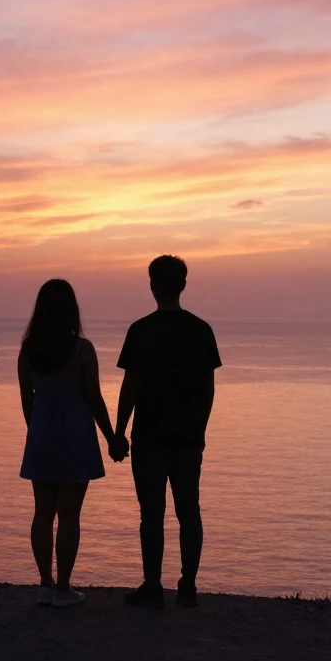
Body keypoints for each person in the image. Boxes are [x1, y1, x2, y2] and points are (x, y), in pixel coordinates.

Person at [112, 255, 221, 609]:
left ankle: (153, 585)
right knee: (189, 510)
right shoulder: (201, 330)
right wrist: (200, 429)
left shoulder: (140, 330)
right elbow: (208, 388)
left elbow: (131, 385)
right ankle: (188, 585)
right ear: (184, 284)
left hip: (149, 435)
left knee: (151, 513)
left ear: (152, 286)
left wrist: (118, 432)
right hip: (188, 437)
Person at [18, 278, 123, 607]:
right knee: (69, 515)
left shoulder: (28, 351)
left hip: (41, 433)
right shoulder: (82, 350)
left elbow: (26, 402)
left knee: (42, 513)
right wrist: (113, 438)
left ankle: (44, 585)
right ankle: (63, 587)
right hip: (75, 434)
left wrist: (37, 432)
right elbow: (94, 398)